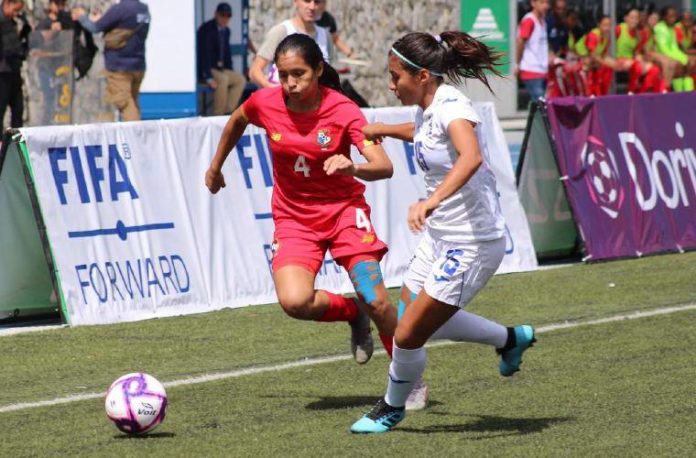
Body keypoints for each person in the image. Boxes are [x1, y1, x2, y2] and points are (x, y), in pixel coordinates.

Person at [350, 31, 536, 434]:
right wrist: (383, 127)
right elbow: (425, 135)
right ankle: (508, 339)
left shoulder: (452, 105)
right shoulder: (428, 104)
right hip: (440, 237)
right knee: (414, 316)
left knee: (408, 332)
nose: (390, 83)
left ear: (421, 76)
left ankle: (391, 406)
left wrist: (430, 202)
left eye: (395, 75)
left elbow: (470, 156)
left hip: (472, 243)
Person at [205, 34, 399, 371]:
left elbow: (384, 166)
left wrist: (352, 166)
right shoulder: (265, 103)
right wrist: (215, 166)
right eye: (283, 75)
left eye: (299, 74)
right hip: (294, 218)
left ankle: (407, 378)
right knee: (295, 302)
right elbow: (237, 120)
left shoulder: (342, 109)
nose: (290, 83)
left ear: (319, 69)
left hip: (344, 213)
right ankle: (353, 314)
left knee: (378, 301)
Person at [72, 0, 151, 121]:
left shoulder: (120, 9)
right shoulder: (143, 9)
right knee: (133, 101)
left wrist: (82, 17)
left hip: (119, 66)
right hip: (138, 65)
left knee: (124, 103)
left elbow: (95, 27)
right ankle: (136, 134)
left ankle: (134, 135)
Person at [249, 0, 332, 88]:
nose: (312, 7)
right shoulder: (282, 31)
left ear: (324, 5)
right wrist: (274, 90)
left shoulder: (325, 36)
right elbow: (254, 71)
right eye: (307, 1)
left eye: (317, 2)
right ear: (296, 1)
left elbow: (329, 74)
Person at [197, 2, 247, 115]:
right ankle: (218, 114)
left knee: (240, 79)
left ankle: (228, 112)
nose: (225, 18)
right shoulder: (206, 29)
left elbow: (227, 53)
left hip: (220, 68)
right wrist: (208, 77)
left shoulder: (226, 31)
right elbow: (204, 54)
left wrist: (230, 69)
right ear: (216, 14)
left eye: (228, 16)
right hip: (207, 69)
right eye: (222, 15)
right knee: (223, 80)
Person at [0, 0, 29, 133]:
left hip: (14, 70)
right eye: (15, 10)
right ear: (7, 4)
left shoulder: (12, 22)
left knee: (18, 109)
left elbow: (16, 44)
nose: (16, 14)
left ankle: (16, 143)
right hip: (2, 72)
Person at [654, 6, 695, 92]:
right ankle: (679, 93)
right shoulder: (660, 28)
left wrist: (683, 58)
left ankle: (688, 92)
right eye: (670, 16)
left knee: (690, 63)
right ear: (664, 17)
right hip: (660, 56)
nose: (673, 18)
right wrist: (682, 58)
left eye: (674, 16)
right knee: (679, 65)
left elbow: (674, 47)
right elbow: (664, 49)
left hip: (671, 55)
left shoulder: (671, 28)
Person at [516, 0, 551, 102]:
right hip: (531, 69)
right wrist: (517, 64)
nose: (545, 6)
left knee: (538, 106)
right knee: (542, 104)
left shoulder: (543, 22)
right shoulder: (529, 20)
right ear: (533, 3)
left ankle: (533, 118)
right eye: (542, 2)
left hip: (542, 70)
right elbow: (520, 43)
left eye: (547, 3)